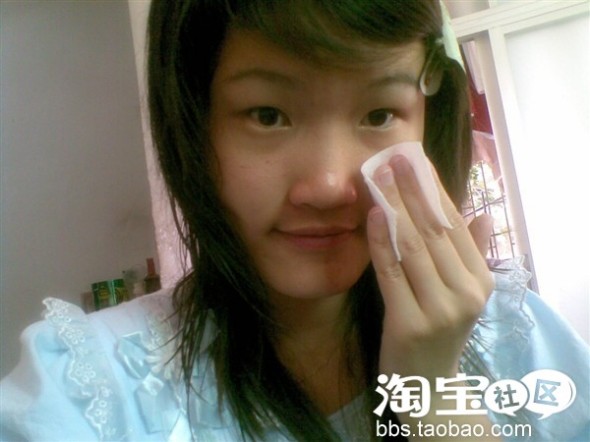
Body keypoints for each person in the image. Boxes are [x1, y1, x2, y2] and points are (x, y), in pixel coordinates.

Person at [1, 1, 588, 441]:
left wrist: (434, 395)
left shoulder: (521, 340)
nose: (329, 185)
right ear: (195, 127)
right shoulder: (88, 391)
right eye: (267, 114)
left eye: (379, 113)